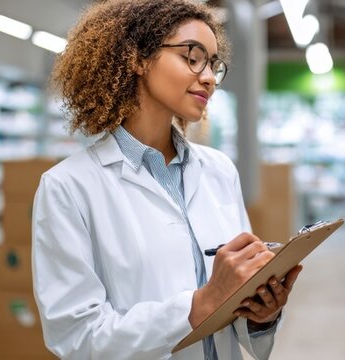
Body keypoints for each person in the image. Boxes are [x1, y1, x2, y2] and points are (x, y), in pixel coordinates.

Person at [31, 1, 302, 359]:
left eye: (214, 64)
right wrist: (198, 305)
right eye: (192, 56)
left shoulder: (219, 170)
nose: (208, 77)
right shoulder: (68, 188)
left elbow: (232, 309)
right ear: (137, 58)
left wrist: (260, 315)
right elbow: (78, 338)